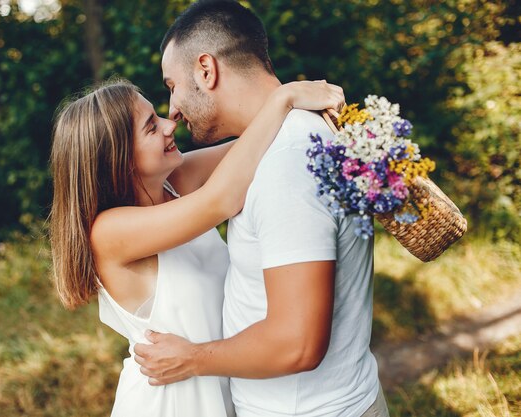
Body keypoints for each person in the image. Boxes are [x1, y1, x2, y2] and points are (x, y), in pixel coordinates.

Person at [133, 1, 390, 417]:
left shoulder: (287, 161)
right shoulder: (283, 142)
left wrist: (193, 358)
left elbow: (298, 343)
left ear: (205, 70)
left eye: (171, 85)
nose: (173, 110)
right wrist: (284, 100)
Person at [49, 78, 344, 417]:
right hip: (169, 402)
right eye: (150, 127)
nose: (168, 125)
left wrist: (306, 116)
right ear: (120, 159)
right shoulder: (109, 232)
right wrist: (284, 97)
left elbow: (254, 145)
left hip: (216, 378)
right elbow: (222, 199)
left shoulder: (173, 184)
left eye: (156, 116)